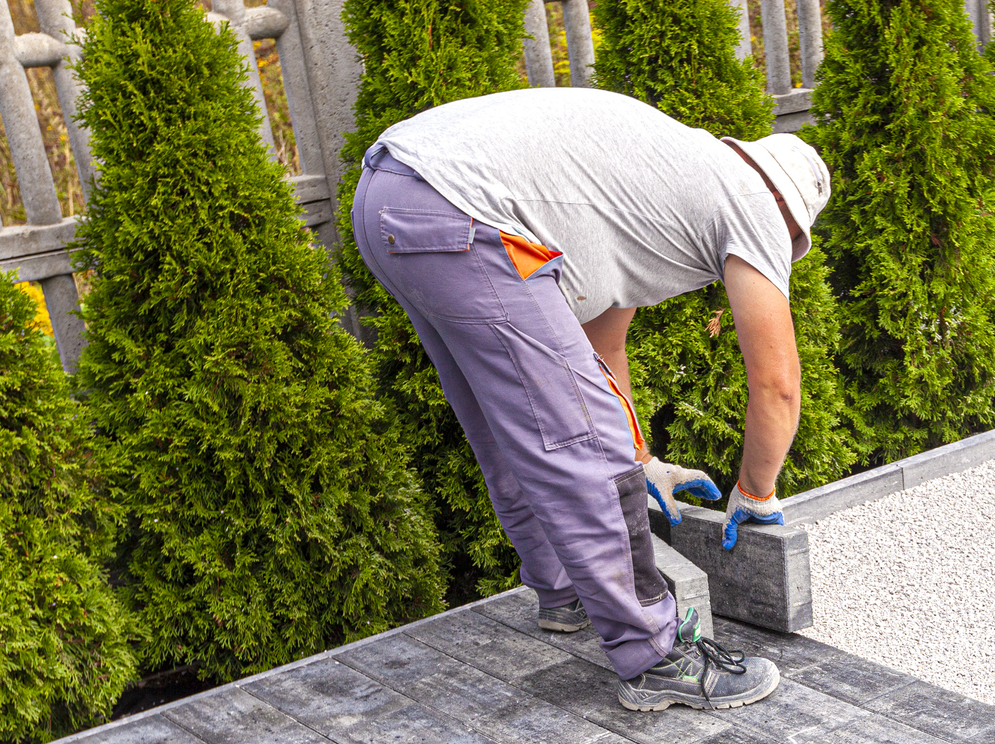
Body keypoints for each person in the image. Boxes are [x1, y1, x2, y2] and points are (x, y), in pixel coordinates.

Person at [351, 87, 831, 711]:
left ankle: (566, 592)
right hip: (457, 206)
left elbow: (601, 355)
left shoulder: (659, 184)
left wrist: (644, 461)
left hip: (391, 194)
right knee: (584, 438)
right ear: (786, 216)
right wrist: (757, 491)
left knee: (512, 419)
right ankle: (656, 656)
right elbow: (777, 384)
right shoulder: (754, 206)